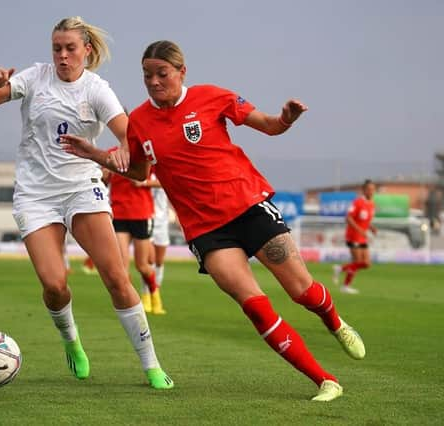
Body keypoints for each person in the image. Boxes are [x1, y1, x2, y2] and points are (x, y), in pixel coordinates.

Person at [61, 39, 366, 401]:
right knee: (253, 304)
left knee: (301, 290)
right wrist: (96, 154)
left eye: (162, 74)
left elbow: (268, 126)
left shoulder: (212, 97)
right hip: (206, 230)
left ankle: (335, 322)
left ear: (181, 72)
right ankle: (324, 380)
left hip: (249, 207)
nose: (154, 82)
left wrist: (286, 118)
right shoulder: (139, 121)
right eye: (147, 76)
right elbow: (139, 172)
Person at [0, 17, 172, 389]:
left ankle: (152, 365)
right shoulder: (34, 78)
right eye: (57, 49)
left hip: (82, 188)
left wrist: (123, 149)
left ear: (86, 51)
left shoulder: (96, 89)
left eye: (70, 48)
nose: (62, 56)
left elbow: (129, 132)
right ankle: (72, 342)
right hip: (35, 195)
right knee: (55, 285)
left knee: (116, 277)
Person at [109, 168, 165, 315]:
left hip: (141, 214)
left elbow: (165, 181)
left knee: (142, 265)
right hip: (119, 214)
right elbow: (101, 179)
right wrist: (103, 175)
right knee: (122, 266)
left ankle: (154, 294)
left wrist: (144, 182)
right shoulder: (111, 156)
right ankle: (133, 305)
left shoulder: (143, 157)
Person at [332, 179, 377, 294]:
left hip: (362, 236)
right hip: (353, 236)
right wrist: (360, 230)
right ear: (364, 190)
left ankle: (340, 269)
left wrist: (371, 227)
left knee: (366, 263)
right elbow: (348, 218)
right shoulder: (358, 202)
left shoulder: (372, 204)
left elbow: (366, 220)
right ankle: (346, 286)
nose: (371, 191)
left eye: (373, 189)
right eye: (369, 189)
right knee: (357, 261)